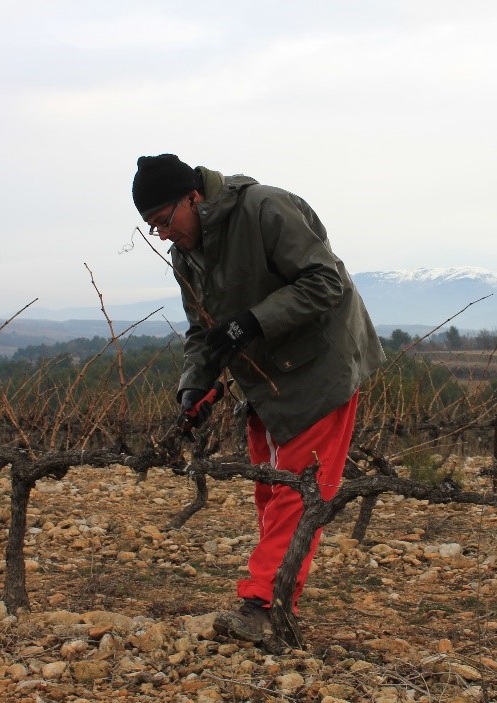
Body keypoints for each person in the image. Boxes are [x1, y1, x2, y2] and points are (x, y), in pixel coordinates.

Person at [131, 154, 385, 644]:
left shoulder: (266, 208)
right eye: (152, 228)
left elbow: (326, 282)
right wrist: (194, 386)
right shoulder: (186, 255)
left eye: (165, 221)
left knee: (296, 491)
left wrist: (250, 321)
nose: (163, 235)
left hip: (319, 369)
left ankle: (263, 606)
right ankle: (272, 593)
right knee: (272, 490)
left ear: (194, 198)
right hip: (264, 379)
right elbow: (203, 333)